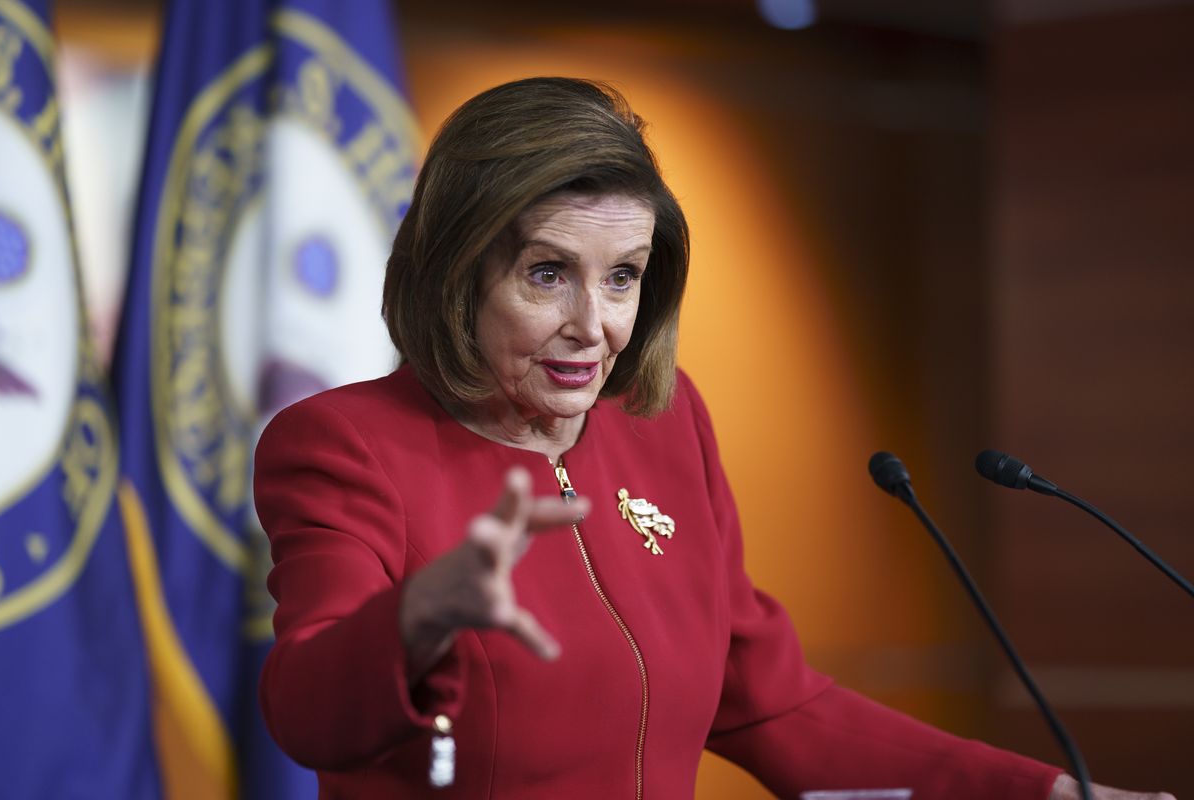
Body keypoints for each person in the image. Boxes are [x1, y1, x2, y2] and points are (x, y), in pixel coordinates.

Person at [253, 77, 1174, 800]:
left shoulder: (663, 423)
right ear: (454, 276)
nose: (594, 325)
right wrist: (416, 617)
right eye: (547, 274)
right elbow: (302, 711)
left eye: (623, 278)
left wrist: (1044, 792)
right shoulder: (343, 445)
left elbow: (773, 704)